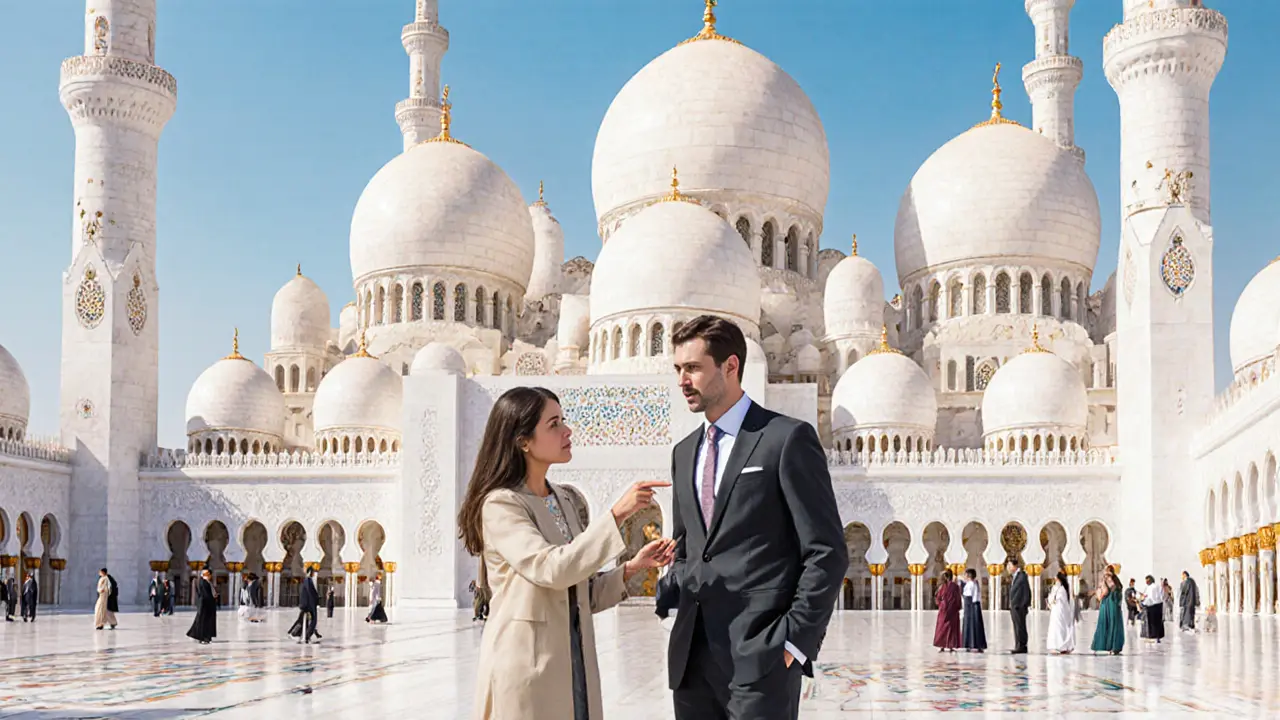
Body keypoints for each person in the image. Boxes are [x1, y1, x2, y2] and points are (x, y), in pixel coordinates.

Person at [666, 317, 847, 720]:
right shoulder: (683, 453)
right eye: (678, 369)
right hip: (692, 666)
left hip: (761, 663)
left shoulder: (785, 439)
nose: (682, 380)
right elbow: (687, 547)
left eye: (693, 368)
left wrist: (792, 643)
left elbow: (827, 552)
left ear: (730, 366)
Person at [460, 386, 675, 720]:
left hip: (574, 662)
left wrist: (631, 568)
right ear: (523, 441)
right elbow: (551, 569)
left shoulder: (563, 499)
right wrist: (616, 515)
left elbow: (577, 591)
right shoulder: (502, 504)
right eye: (554, 424)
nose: (567, 431)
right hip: (528, 668)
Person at [1090, 571, 1125, 655]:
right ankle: (1114, 647)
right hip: (1114, 606)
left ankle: (1108, 646)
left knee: (1107, 624)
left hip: (1108, 605)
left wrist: (1099, 592)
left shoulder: (1108, 582)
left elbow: (1104, 593)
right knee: (1114, 625)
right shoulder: (1117, 583)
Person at [1046, 571, 1076, 654]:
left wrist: (1051, 600)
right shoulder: (1060, 588)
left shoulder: (1060, 588)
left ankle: (1060, 645)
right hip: (1059, 610)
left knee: (1059, 628)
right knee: (1058, 628)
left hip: (1059, 611)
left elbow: (1054, 599)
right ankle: (1058, 645)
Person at [289, 568, 321, 643]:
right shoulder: (308, 581)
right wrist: (314, 602)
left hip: (308, 604)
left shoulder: (308, 581)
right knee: (312, 621)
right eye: (313, 572)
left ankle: (300, 634)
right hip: (309, 605)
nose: (313, 574)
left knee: (304, 621)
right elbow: (310, 594)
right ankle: (302, 635)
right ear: (310, 572)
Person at [187, 569, 218, 644]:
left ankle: (204, 636)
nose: (210, 575)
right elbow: (205, 595)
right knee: (203, 622)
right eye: (208, 574)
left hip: (207, 605)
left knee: (204, 621)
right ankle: (203, 637)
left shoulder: (207, 582)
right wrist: (212, 598)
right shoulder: (203, 582)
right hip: (205, 605)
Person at [933, 569, 961, 652]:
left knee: (942, 627)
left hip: (943, 609)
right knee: (951, 628)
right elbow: (958, 598)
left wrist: (941, 605)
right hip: (953, 609)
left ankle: (941, 645)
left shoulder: (942, 586)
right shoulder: (955, 586)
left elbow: (937, 598)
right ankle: (951, 646)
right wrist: (958, 607)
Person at [1006, 558, 1030, 654]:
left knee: (1020, 626)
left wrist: (1023, 605)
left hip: (1019, 607)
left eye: (1009, 566)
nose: (1008, 568)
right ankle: (1018, 645)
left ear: (1015, 566)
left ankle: (1022, 645)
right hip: (1015, 607)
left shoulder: (1022, 576)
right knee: (1016, 626)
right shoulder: (1015, 577)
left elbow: (1026, 591)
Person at [961, 568, 986, 652]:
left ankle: (973, 644)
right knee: (972, 625)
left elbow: (968, 596)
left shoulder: (971, 584)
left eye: (965, 574)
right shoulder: (973, 583)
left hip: (971, 606)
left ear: (968, 576)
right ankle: (971, 644)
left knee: (973, 625)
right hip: (972, 606)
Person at [1139, 574, 1166, 643]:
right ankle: (1158, 637)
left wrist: (1143, 602)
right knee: (1158, 623)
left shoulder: (1151, 587)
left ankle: (1152, 637)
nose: (1146, 582)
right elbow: (1162, 595)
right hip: (1159, 606)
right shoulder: (1157, 586)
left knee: (1152, 623)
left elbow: (1150, 598)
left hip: (1152, 607)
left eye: (1147, 580)